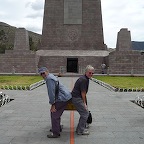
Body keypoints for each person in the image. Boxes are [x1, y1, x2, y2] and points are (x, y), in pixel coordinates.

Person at [38, 67, 72, 138]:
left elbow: (51, 93)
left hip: (62, 98)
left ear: (47, 72)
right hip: (65, 96)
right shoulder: (51, 76)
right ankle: (57, 127)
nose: (42, 75)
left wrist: (52, 104)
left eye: (43, 73)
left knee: (54, 114)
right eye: (41, 74)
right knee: (55, 113)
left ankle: (56, 133)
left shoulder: (49, 79)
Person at [71, 65, 94, 135]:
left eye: (92, 73)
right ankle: (80, 130)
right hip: (77, 98)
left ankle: (81, 128)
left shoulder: (84, 78)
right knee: (85, 113)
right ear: (86, 72)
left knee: (84, 113)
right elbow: (83, 93)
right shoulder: (84, 80)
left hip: (76, 97)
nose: (91, 74)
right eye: (90, 73)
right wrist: (84, 103)